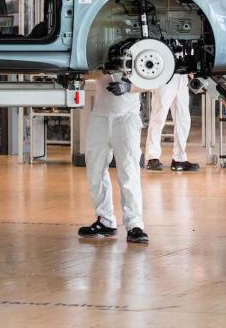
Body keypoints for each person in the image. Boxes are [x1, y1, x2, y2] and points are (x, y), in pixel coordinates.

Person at [78, 72, 149, 244]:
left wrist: (129, 87)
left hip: (127, 117)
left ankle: (134, 225)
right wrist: (102, 69)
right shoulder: (99, 48)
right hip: (100, 116)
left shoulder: (136, 48)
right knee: (95, 171)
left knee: (129, 172)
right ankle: (105, 220)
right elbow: (87, 73)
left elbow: (155, 82)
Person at [144, 73, 200, 172]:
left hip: (182, 76)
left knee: (183, 119)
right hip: (165, 74)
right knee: (158, 117)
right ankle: (152, 157)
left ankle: (179, 159)